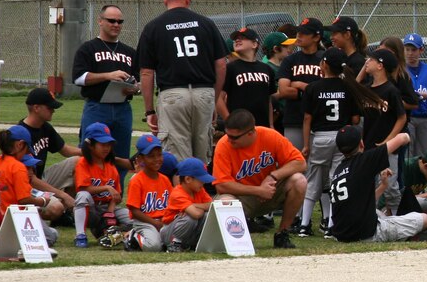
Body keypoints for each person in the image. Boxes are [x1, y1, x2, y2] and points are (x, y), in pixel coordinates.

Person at [137, 0, 228, 162]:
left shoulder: (154, 27)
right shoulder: (206, 24)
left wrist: (149, 111)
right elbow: (221, 64)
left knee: (177, 157)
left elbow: (147, 72)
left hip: (173, 94)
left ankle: (180, 190)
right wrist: (214, 97)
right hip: (203, 92)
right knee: (202, 154)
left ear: (165, 0)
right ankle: (199, 189)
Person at [298, 48, 373, 236]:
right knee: (336, 179)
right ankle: (331, 226)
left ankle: (304, 225)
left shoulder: (312, 88)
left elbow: (307, 119)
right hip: (342, 137)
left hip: (320, 138)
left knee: (313, 180)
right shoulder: (348, 86)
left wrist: (306, 144)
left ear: (323, 64)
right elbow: (355, 120)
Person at [211, 109, 308, 249]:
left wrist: (273, 176)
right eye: (228, 135)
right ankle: (238, 242)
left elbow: (300, 163)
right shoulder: (224, 145)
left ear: (251, 132)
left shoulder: (269, 136)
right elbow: (222, 186)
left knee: (299, 181)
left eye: (234, 137)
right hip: (243, 197)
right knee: (225, 201)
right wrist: (258, 190)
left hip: (270, 191)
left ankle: (282, 234)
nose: (229, 139)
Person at [329, 125, 427, 242]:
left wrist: (383, 186)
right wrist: (407, 135)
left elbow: (362, 202)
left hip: (342, 235)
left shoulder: (338, 170)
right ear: (361, 144)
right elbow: (402, 138)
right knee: (425, 219)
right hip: (367, 235)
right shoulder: (364, 160)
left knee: (379, 213)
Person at [71, 3, 139, 168]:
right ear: (100, 21)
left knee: (121, 155)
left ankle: (116, 190)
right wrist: (108, 76)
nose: (116, 25)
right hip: (97, 107)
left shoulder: (129, 52)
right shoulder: (89, 48)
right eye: (111, 20)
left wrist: (135, 88)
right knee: (90, 153)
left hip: (123, 108)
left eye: (120, 21)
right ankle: (87, 189)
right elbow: (78, 78)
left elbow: (139, 81)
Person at [0, 126, 59, 247]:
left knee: (52, 233)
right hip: (14, 218)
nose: (26, 153)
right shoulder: (18, 167)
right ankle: (3, 243)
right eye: (26, 149)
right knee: (50, 236)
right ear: (19, 145)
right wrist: (43, 201)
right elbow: (24, 200)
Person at [20, 87, 78, 223]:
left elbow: (65, 150)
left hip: (41, 180)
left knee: (78, 162)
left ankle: (63, 213)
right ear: (36, 108)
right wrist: (63, 195)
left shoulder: (45, 127)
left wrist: (90, 152)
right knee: (55, 208)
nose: (53, 110)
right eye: (49, 107)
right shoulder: (21, 135)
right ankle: (26, 217)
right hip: (26, 186)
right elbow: (30, 179)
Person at [361, 48, 408, 212]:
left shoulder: (391, 90)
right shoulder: (367, 89)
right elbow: (354, 83)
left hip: (388, 148)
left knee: (390, 186)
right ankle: (370, 216)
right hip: (368, 146)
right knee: (367, 184)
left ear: (380, 66)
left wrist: (389, 140)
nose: (367, 62)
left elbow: (402, 117)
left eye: (371, 60)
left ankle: (396, 216)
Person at [72, 122, 130, 248]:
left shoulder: (111, 166)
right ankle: (80, 235)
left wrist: (110, 211)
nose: (107, 148)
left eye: (109, 144)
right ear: (90, 145)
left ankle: (113, 234)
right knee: (82, 196)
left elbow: (117, 194)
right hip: (91, 209)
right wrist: (107, 187)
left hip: (107, 207)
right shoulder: (83, 163)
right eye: (103, 144)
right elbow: (83, 189)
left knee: (131, 216)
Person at [275, 17, 326, 150]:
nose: (299, 35)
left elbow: (327, 90)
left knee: (318, 166)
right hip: (294, 119)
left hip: (321, 122)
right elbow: (284, 90)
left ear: (316, 37)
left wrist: (299, 85)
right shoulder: (290, 60)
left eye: (304, 33)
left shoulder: (325, 59)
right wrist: (313, 92)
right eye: (299, 31)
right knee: (294, 161)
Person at [117, 134, 172, 251]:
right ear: (140, 159)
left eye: (159, 155)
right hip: (144, 222)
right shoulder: (137, 180)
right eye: (151, 156)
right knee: (154, 247)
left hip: (163, 221)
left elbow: (170, 205)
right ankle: (133, 236)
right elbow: (135, 211)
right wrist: (155, 223)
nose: (157, 159)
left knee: (178, 242)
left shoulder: (165, 179)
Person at [217, 28, 277, 128]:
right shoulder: (230, 68)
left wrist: (270, 124)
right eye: (236, 39)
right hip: (238, 127)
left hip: (262, 126)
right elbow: (218, 98)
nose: (237, 40)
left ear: (254, 44)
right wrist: (229, 121)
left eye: (243, 38)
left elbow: (268, 100)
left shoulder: (266, 69)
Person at [160, 158, 215, 252]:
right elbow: (196, 214)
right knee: (190, 218)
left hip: (186, 232)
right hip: (168, 233)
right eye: (201, 180)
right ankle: (174, 244)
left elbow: (211, 205)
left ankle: (193, 244)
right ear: (188, 179)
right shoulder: (178, 193)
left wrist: (194, 205)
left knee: (206, 216)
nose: (204, 183)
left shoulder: (199, 190)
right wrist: (201, 207)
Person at [402, 33, 427, 158]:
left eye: (414, 49)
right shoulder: (401, 70)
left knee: (423, 155)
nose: (410, 53)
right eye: (407, 49)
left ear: (421, 50)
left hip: (425, 117)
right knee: (408, 154)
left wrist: (426, 95)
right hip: (409, 117)